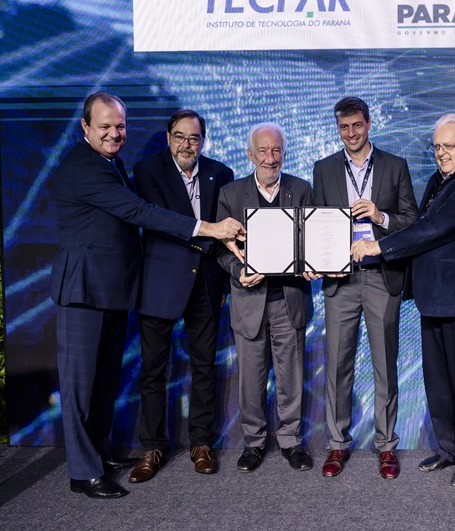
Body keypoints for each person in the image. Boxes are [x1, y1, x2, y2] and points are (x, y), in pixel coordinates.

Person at [50, 92, 244, 499]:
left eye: (120, 126)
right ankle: (83, 473)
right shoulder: (84, 167)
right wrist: (208, 228)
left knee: (103, 384)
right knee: (80, 387)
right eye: (104, 126)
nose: (114, 133)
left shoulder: (112, 163)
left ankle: (99, 454)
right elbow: (139, 212)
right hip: (83, 289)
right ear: (85, 127)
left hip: (110, 290)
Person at [350, 113, 455, 488]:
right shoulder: (441, 178)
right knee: (439, 381)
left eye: (449, 146)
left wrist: (379, 246)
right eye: (436, 147)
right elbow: (422, 224)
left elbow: (434, 228)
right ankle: (449, 449)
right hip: (435, 297)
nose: (441, 153)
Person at [311, 97, 417, 479]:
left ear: (369, 124)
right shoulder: (323, 168)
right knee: (338, 365)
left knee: (385, 366)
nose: (351, 133)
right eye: (344, 127)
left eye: (357, 125)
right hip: (340, 280)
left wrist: (379, 215)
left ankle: (386, 446)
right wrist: (315, 260)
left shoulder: (395, 166)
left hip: (381, 277)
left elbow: (412, 221)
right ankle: (337, 443)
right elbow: (317, 222)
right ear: (338, 128)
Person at [127, 109, 234, 483]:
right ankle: (152, 447)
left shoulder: (220, 173)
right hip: (160, 282)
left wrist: (224, 285)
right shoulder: (147, 171)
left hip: (206, 283)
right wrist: (210, 230)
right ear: (168, 137)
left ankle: (201, 443)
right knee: (154, 369)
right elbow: (161, 220)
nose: (187, 144)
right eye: (180, 136)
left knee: (205, 366)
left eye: (194, 138)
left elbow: (225, 238)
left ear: (203, 140)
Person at [216, 122, 315, 474]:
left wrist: (314, 263)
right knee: (250, 379)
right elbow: (221, 250)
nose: (270, 158)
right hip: (249, 299)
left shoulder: (301, 189)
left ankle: (291, 441)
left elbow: (313, 240)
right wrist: (237, 270)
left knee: (291, 377)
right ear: (250, 155)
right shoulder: (230, 193)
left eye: (276, 151)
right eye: (263, 151)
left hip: (290, 300)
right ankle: (254, 443)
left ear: (284, 153)